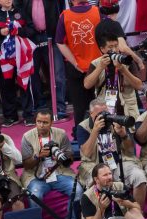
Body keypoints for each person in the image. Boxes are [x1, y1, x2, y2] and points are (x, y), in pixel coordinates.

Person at [75, 100, 147, 206]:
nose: (104, 117)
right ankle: (101, 215)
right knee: (94, 180)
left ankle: (137, 210)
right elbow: (86, 153)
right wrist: (95, 130)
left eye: (106, 113)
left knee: (139, 176)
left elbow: (130, 150)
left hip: (118, 162)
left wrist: (123, 135)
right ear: (91, 114)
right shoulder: (83, 127)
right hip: (95, 164)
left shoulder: (114, 122)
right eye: (99, 114)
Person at [0, 0, 34, 127]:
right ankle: (10, 116)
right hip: (3, 58)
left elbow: (31, 29)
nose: (8, 0)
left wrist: (19, 31)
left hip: (21, 56)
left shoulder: (21, 11)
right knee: (6, 87)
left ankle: (29, 115)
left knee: (25, 85)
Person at [19, 109, 77, 218]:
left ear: (51, 123)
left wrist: (61, 157)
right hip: (36, 176)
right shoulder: (27, 137)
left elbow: (70, 160)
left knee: (77, 190)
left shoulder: (61, 134)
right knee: (34, 195)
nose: (41, 125)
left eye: (45, 122)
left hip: (59, 173)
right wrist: (37, 156)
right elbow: (26, 165)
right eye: (38, 122)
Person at [55, 0, 101, 130]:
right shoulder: (98, 12)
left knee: (79, 106)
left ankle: (81, 135)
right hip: (98, 66)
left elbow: (59, 42)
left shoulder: (65, 15)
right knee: (100, 103)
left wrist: (75, 63)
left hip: (76, 68)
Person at [84, 29, 143, 120]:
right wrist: (100, 67)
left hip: (128, 110)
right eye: (110, 47)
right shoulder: (96, 63)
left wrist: (123, 70)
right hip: (105, 110)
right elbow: (87, 85)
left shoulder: (126, 60)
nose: (114, 50)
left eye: (116, 46)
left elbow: (139, 86)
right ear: (102, 49)